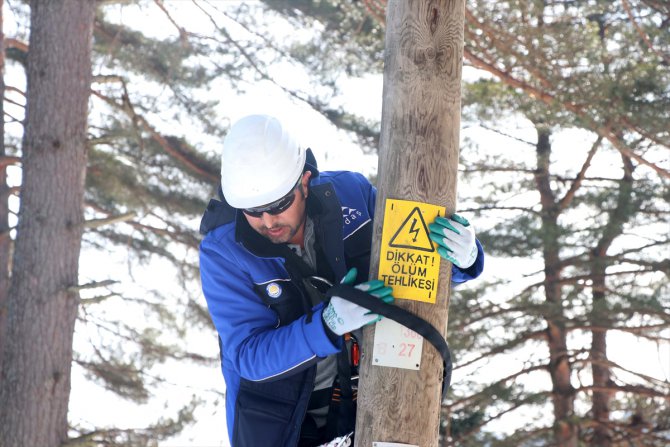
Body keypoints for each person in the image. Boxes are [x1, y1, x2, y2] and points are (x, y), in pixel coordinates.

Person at [199, 114, 484, 447]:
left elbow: (412, 267)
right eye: (252, 211)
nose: (267, 220)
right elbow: (249, 355)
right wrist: (327, 324)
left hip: (374, 396)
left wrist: (463, 259)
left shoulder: (352, 195)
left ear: (304, 181)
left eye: (279, 204)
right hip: (287, 424)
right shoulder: (224, 253)